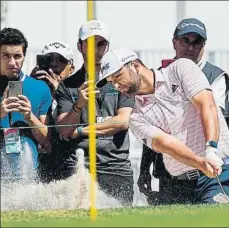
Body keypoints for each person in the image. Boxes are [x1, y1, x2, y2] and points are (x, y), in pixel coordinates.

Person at [96, 48, 229, 204]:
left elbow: (206, 105)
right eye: (111, 82)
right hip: (179, 185)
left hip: (220, 173)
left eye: (118, 76)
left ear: (135, 65)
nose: (116, 85)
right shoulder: (135, 117)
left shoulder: (180, 68)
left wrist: (211, 149)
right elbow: (167, 145)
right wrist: (200, 163)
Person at [138, 18, 229, 205]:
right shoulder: (158, 76)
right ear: (174, 42)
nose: (190, 47)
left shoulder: (216, 76)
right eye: (185, 41)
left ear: (204, 45)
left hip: (208, 170)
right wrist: (144, 169)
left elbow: (208, 116)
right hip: (169, 173)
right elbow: (148, 127)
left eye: (197, 42)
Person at [55, 20, 134, 205]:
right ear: (79, 46)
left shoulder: (123, 80)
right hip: (79, 168)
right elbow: (64, 131)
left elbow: (122, 122)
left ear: (108, 47)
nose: (96, 51)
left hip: (116, 169)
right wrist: (78, 105)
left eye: (101, 44)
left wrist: (81, 131)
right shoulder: (67, 85)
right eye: (90, 44)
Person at [0, 28, 51, 181]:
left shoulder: (40, 88)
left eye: (17, 56)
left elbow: (47, 142)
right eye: (5, 56)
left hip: (28, 174)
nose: (12, 62)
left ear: (24, 56)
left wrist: (29, 117)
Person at [30, 41, 75, 182]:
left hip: (69, 161)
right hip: (39, 162)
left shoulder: (78, 91)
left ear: (71, 68)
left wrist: (59, 92)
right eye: (49, 59)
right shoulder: (33, 88)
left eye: (61, 60)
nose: (54, 65)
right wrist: (31, 85)